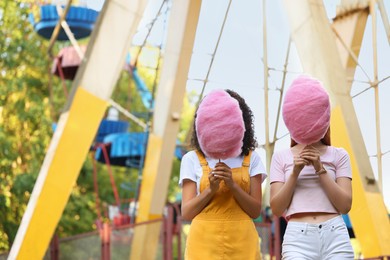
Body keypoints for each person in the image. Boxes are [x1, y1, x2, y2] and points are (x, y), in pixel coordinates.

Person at [270, 75, 354, 259]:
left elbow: (345, 205)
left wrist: (320, 169)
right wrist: (294, 173)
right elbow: (276, 208)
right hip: (297, 239)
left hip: (335, 235)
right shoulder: (281, 157)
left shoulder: (339, 155)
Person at [179, 89, 267, 260]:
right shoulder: (192, 159)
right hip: (203, 243)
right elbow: (187, 212)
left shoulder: (252, 158)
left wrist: (232, 185)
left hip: (243, 242)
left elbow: (255, 210)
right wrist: (210, 190)